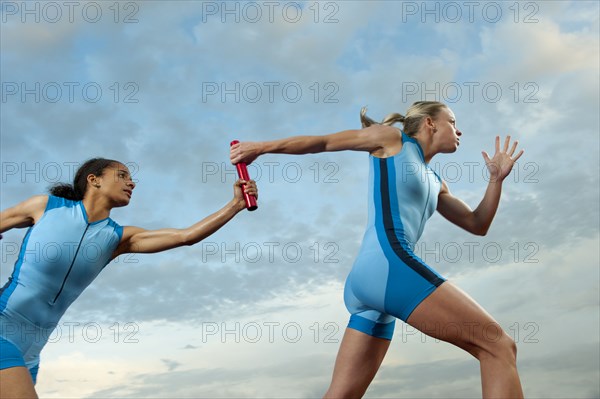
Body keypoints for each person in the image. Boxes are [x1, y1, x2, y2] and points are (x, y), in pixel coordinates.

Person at [230, 101, 524, 398]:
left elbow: (477, 223)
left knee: (342, 394)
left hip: (373, 280)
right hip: (390, 264)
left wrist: (495, 181)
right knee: (499, 346)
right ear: (430, 123)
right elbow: (324, 141)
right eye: (452, 121)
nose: (459, 130)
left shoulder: (437, 182)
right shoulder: (391, 140)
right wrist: (261, 147)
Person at [0, 158, 257, 398]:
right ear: (94, 180)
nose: (131, 183)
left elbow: (185, 236)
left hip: (32, 350)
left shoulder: (119, 238)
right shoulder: (45, 207)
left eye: (131, 178)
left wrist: (235, 205)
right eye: (122, 175)